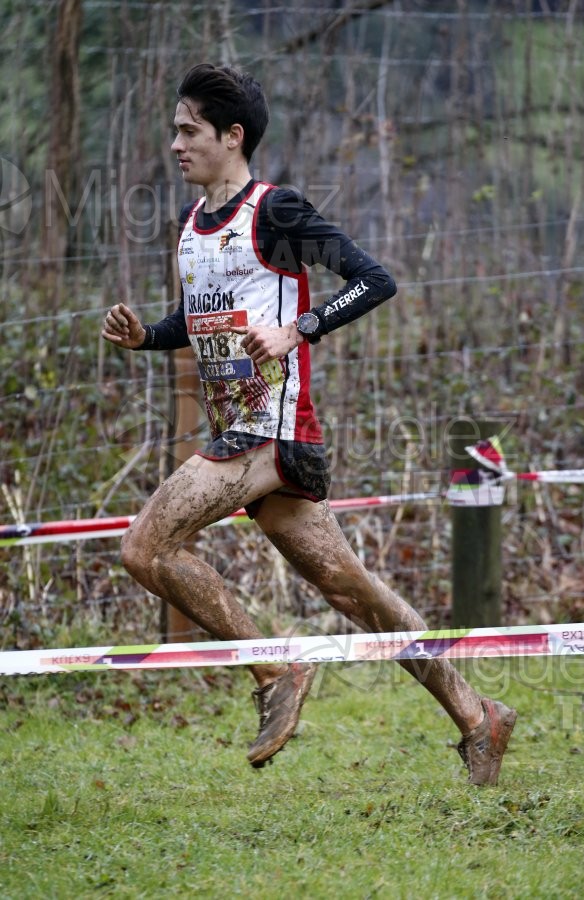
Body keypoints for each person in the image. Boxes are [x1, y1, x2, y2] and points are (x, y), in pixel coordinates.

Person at [102, 63, 517, 783]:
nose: (175, 144)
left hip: (272, 431)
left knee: (145, 547)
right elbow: (199, 323)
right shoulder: (191, 224)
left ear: (232, 137)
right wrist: (147, 336)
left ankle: (275, 670)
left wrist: (299, 329)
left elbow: (373, 280)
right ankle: (478, 715)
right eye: (175, 130)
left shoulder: (276, 211)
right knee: (351, 591)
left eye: (188, 130)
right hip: (247, 434)